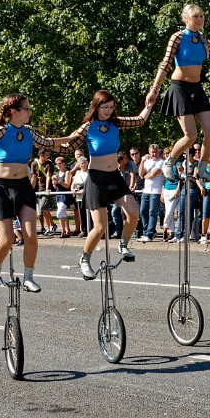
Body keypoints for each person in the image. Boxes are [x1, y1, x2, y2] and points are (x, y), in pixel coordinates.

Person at [0, 93, 76, 292]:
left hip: (22, 186)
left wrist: (72, 138)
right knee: (7, 238)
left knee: (31, 236)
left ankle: (28, 276)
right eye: (26, 109)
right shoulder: (1, 130)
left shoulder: (29, 131)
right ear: (14, 112)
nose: (29, 112)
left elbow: (48, 142)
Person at [64, 89, 154, 280]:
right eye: (105, 107)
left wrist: (149, 104)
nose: (108, 111)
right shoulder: (88, 127)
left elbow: (140, 120)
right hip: (96, 179)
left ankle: (123, 244)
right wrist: (46, 142)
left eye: (111, 107)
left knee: (133, 212)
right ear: (96, 106)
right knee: (100, 227)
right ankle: (85, 258)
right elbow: (68, 143)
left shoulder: (115, 123)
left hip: (114, 176)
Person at [145, 4, 210, 182]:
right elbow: (166, 63)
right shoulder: (178, 37)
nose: (199, 20)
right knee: (191, 135)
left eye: (202, 16)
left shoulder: (203, 39)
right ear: (186, 19)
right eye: (195, 16)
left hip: (197, 89)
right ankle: (169, 161)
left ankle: (203, 167)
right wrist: (154, 89)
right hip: (180, 88)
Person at [138, 144, 164, 242]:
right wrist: (142, 161)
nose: (154, 154)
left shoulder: (161, 162)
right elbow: (141, 173)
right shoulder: (147, 161)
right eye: (153, 152)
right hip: (146, 190)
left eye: (156, 152)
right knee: (143, 211)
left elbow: (153, 174)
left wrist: (144, 176)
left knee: (152, 212)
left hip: (156, 191)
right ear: (149, 152)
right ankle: (146, 231)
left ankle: (149, 234)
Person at [31, 148, 58, 236]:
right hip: (38, 190)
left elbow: (48, 177)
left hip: (47, 189)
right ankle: (52, 225)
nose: (48, 157)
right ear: (41, 155)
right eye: (46, 155)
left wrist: (47, 188)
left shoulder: (49, 164)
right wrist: (31, 189)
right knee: (42, 210)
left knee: (43, 207)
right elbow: (34, 178)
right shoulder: (34, 164)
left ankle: (53, 224)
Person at [52, 156, 74, 238]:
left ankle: (63, 231)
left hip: (65, 195)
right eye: (56, 164)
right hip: (58, 195)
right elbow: (55, 186)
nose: (58, 165)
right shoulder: (57, 173)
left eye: (59, 164)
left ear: (64, 164)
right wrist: (54, 182)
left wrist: (58, 180)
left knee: (59, 213)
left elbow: (67, 185)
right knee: (63, 214)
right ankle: (67, 230)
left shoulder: (67, 173)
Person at [71, 156, 89, 237]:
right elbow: (73, 184)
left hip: (88, 197)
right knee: (81, 214)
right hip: (79, 197)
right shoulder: (78, 173)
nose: (83, 165)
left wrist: (84, 190)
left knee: (89, 214)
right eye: (82, 163)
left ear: (87, 163)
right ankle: (84, 230)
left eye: (84, 163)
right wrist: (73, 189)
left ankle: (90, 229)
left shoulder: (90, 173)